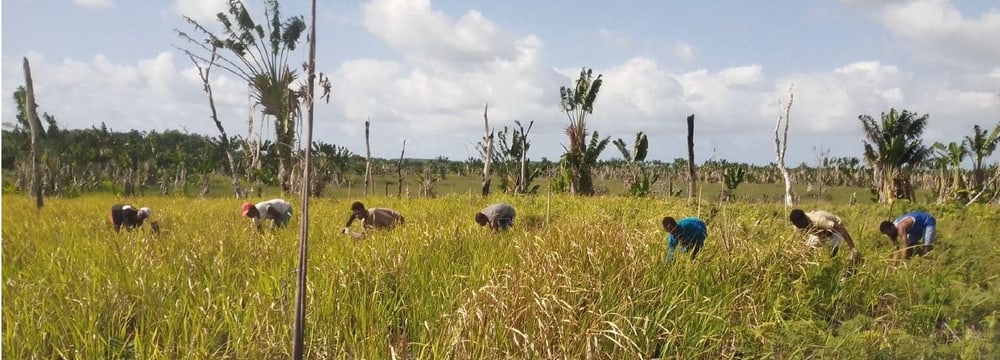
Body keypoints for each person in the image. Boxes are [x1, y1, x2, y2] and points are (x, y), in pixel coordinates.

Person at [789, 209, 861, 262]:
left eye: (800, 225)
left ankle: (834, 263)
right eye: (797, 225)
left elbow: (842, 230)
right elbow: (801, 244)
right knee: (808, 250)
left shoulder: (819, 220)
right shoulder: (797, 226)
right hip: (818, 232)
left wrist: (853, 249)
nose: (799, 227)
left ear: (804, 218)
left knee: (832, 247)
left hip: (834, 228)